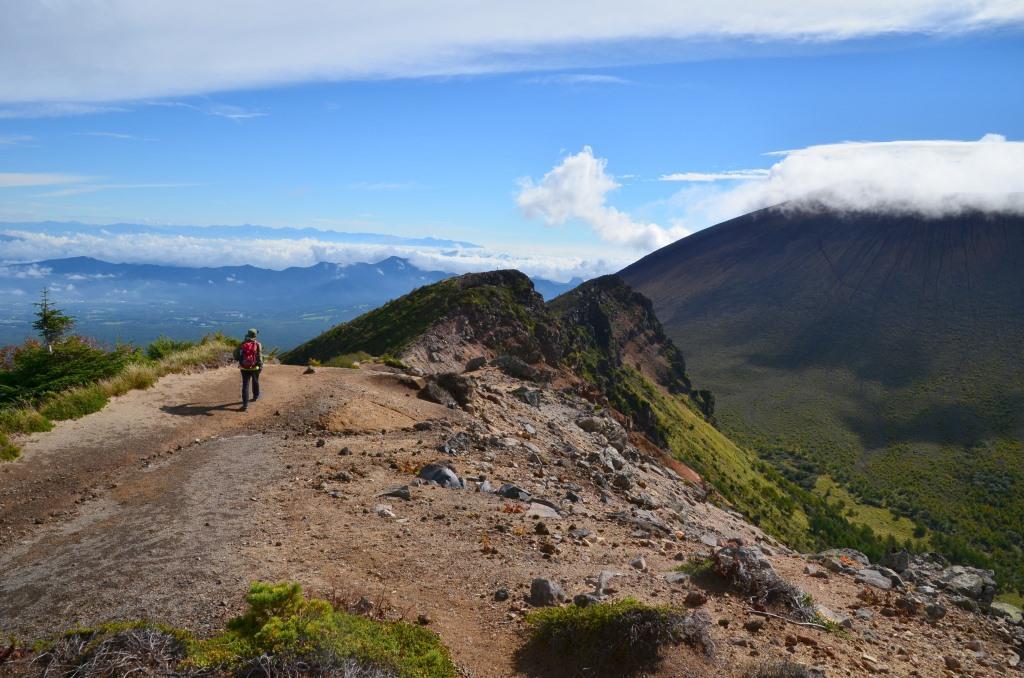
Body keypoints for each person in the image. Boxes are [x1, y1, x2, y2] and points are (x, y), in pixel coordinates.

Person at [233, 328, 263, 411]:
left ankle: (245, 405)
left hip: (244, 368)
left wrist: (241, 361)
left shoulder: (243, 344)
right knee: (255, 381)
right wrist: (260, 365)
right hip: (255, 367)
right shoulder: (257, 344)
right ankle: (256, 396)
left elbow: (236, 355)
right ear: (255, 335)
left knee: (245, 385)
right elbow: (260, 356)